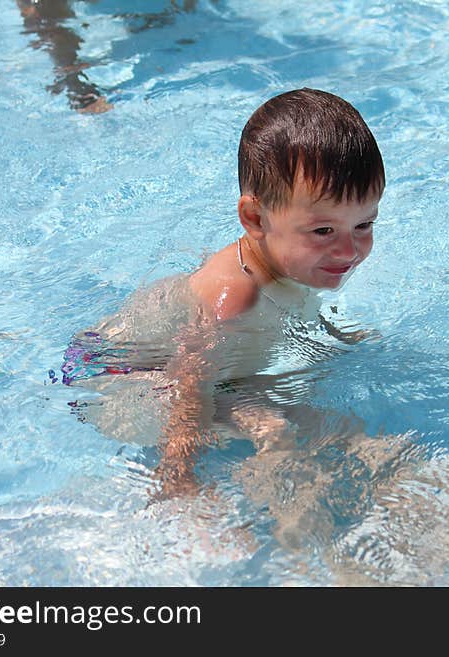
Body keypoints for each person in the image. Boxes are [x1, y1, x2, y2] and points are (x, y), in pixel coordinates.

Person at [63, 89, 397, 512]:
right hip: (113, 380)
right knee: (273, 423)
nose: (349, 251)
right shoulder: (233, 300)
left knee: (314, 419)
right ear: (256, 219)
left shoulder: (288, 260)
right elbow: (191, 384)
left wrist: (338, 338)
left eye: (364, 224)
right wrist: (179, 477)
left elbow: (293, 308)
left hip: (189, 375)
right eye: (324, 232)